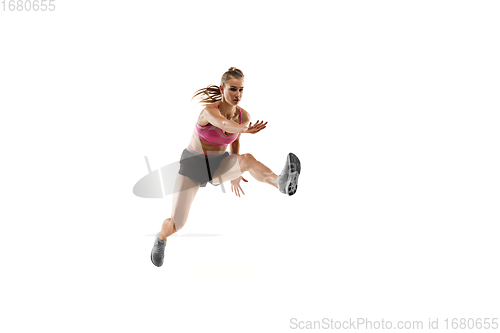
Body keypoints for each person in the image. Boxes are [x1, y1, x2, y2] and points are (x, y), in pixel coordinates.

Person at [151, 67, 301, 267]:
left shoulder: (244, 117)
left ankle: (280, 183)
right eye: (233, 89)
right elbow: (224, 125)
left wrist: (236, 171)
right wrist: (245, 130)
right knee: (177, 224)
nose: (237, 95)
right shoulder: (209, 112)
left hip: (219, 163)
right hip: (193, 164)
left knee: (247, 159)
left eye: (241, 90)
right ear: (222, 89)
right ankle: (161, 238)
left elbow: (235, 141)